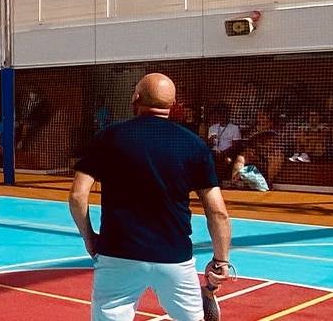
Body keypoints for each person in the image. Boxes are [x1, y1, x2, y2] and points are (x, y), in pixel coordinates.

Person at [69, 73, 233, 321]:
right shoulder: (193, 144)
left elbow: (77, 195)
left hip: (117, 255)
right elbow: (218, 212)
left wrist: (89, 237)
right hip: (174, 258)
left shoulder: (108, 137)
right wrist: (221, 260)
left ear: (135, 98)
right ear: (174, 105)